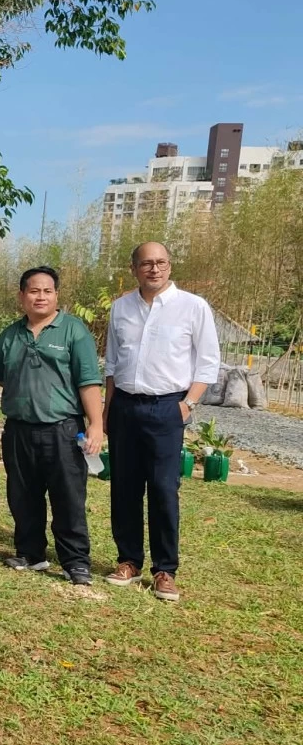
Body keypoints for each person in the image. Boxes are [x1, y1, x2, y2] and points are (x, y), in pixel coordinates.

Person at [103, 242, 221, 602]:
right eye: (146, 264)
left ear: (169, 266)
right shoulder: (120, 308)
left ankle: (165, 569)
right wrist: (108, 409)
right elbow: (111, 363)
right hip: (125, 405)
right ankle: (128, 560)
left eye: (161, 263)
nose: (154, 269)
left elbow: (207, 363)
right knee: (123, 486)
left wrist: (187, 405)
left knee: (163, 489)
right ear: (134, 268)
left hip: (168, 408)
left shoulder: (192, 307)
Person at [0, 265, 103, 586]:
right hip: (18, 430)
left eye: (47, 291)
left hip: (63, 430)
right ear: (21, 296)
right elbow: (0, 374)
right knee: (22, 494)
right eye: (33, 291)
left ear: (56, 295)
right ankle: (30, 552)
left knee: (68, 497)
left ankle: (75, 561)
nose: (40, 296)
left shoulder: (73, 331)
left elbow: (89, 381)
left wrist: (96, 425)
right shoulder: (10, 335)